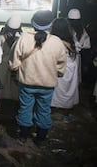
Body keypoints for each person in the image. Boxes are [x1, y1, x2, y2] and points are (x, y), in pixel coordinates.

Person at [9, 10, 67, 147]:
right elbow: (61, 64)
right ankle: (41, 139)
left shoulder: (23, 38)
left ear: (33, 23)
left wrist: (16, 69)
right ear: (50, 24)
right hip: (47, 84)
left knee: (25, 108)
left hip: (27, 82)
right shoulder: (56, 41)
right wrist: (57, 72)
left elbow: (14, 61)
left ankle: (23, 136)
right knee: (44, 109)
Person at [50, 18, 79, 121]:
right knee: (68, 91)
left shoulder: (53, 41)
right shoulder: (71, 40)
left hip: (58, 68)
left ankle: (51, 111)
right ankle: (66, 113)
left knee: (55, 91)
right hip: (70, 68)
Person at [0, 14, 22, 101]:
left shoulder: (1, 38)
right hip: (16, 63)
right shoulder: (21, 38)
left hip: (2, 65)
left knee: (4, 86)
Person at [67, 8, 91, 84]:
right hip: (75, 58)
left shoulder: (65, 29)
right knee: (73, 82)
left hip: (66, 57)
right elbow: (87, 46)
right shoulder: (82, 31)